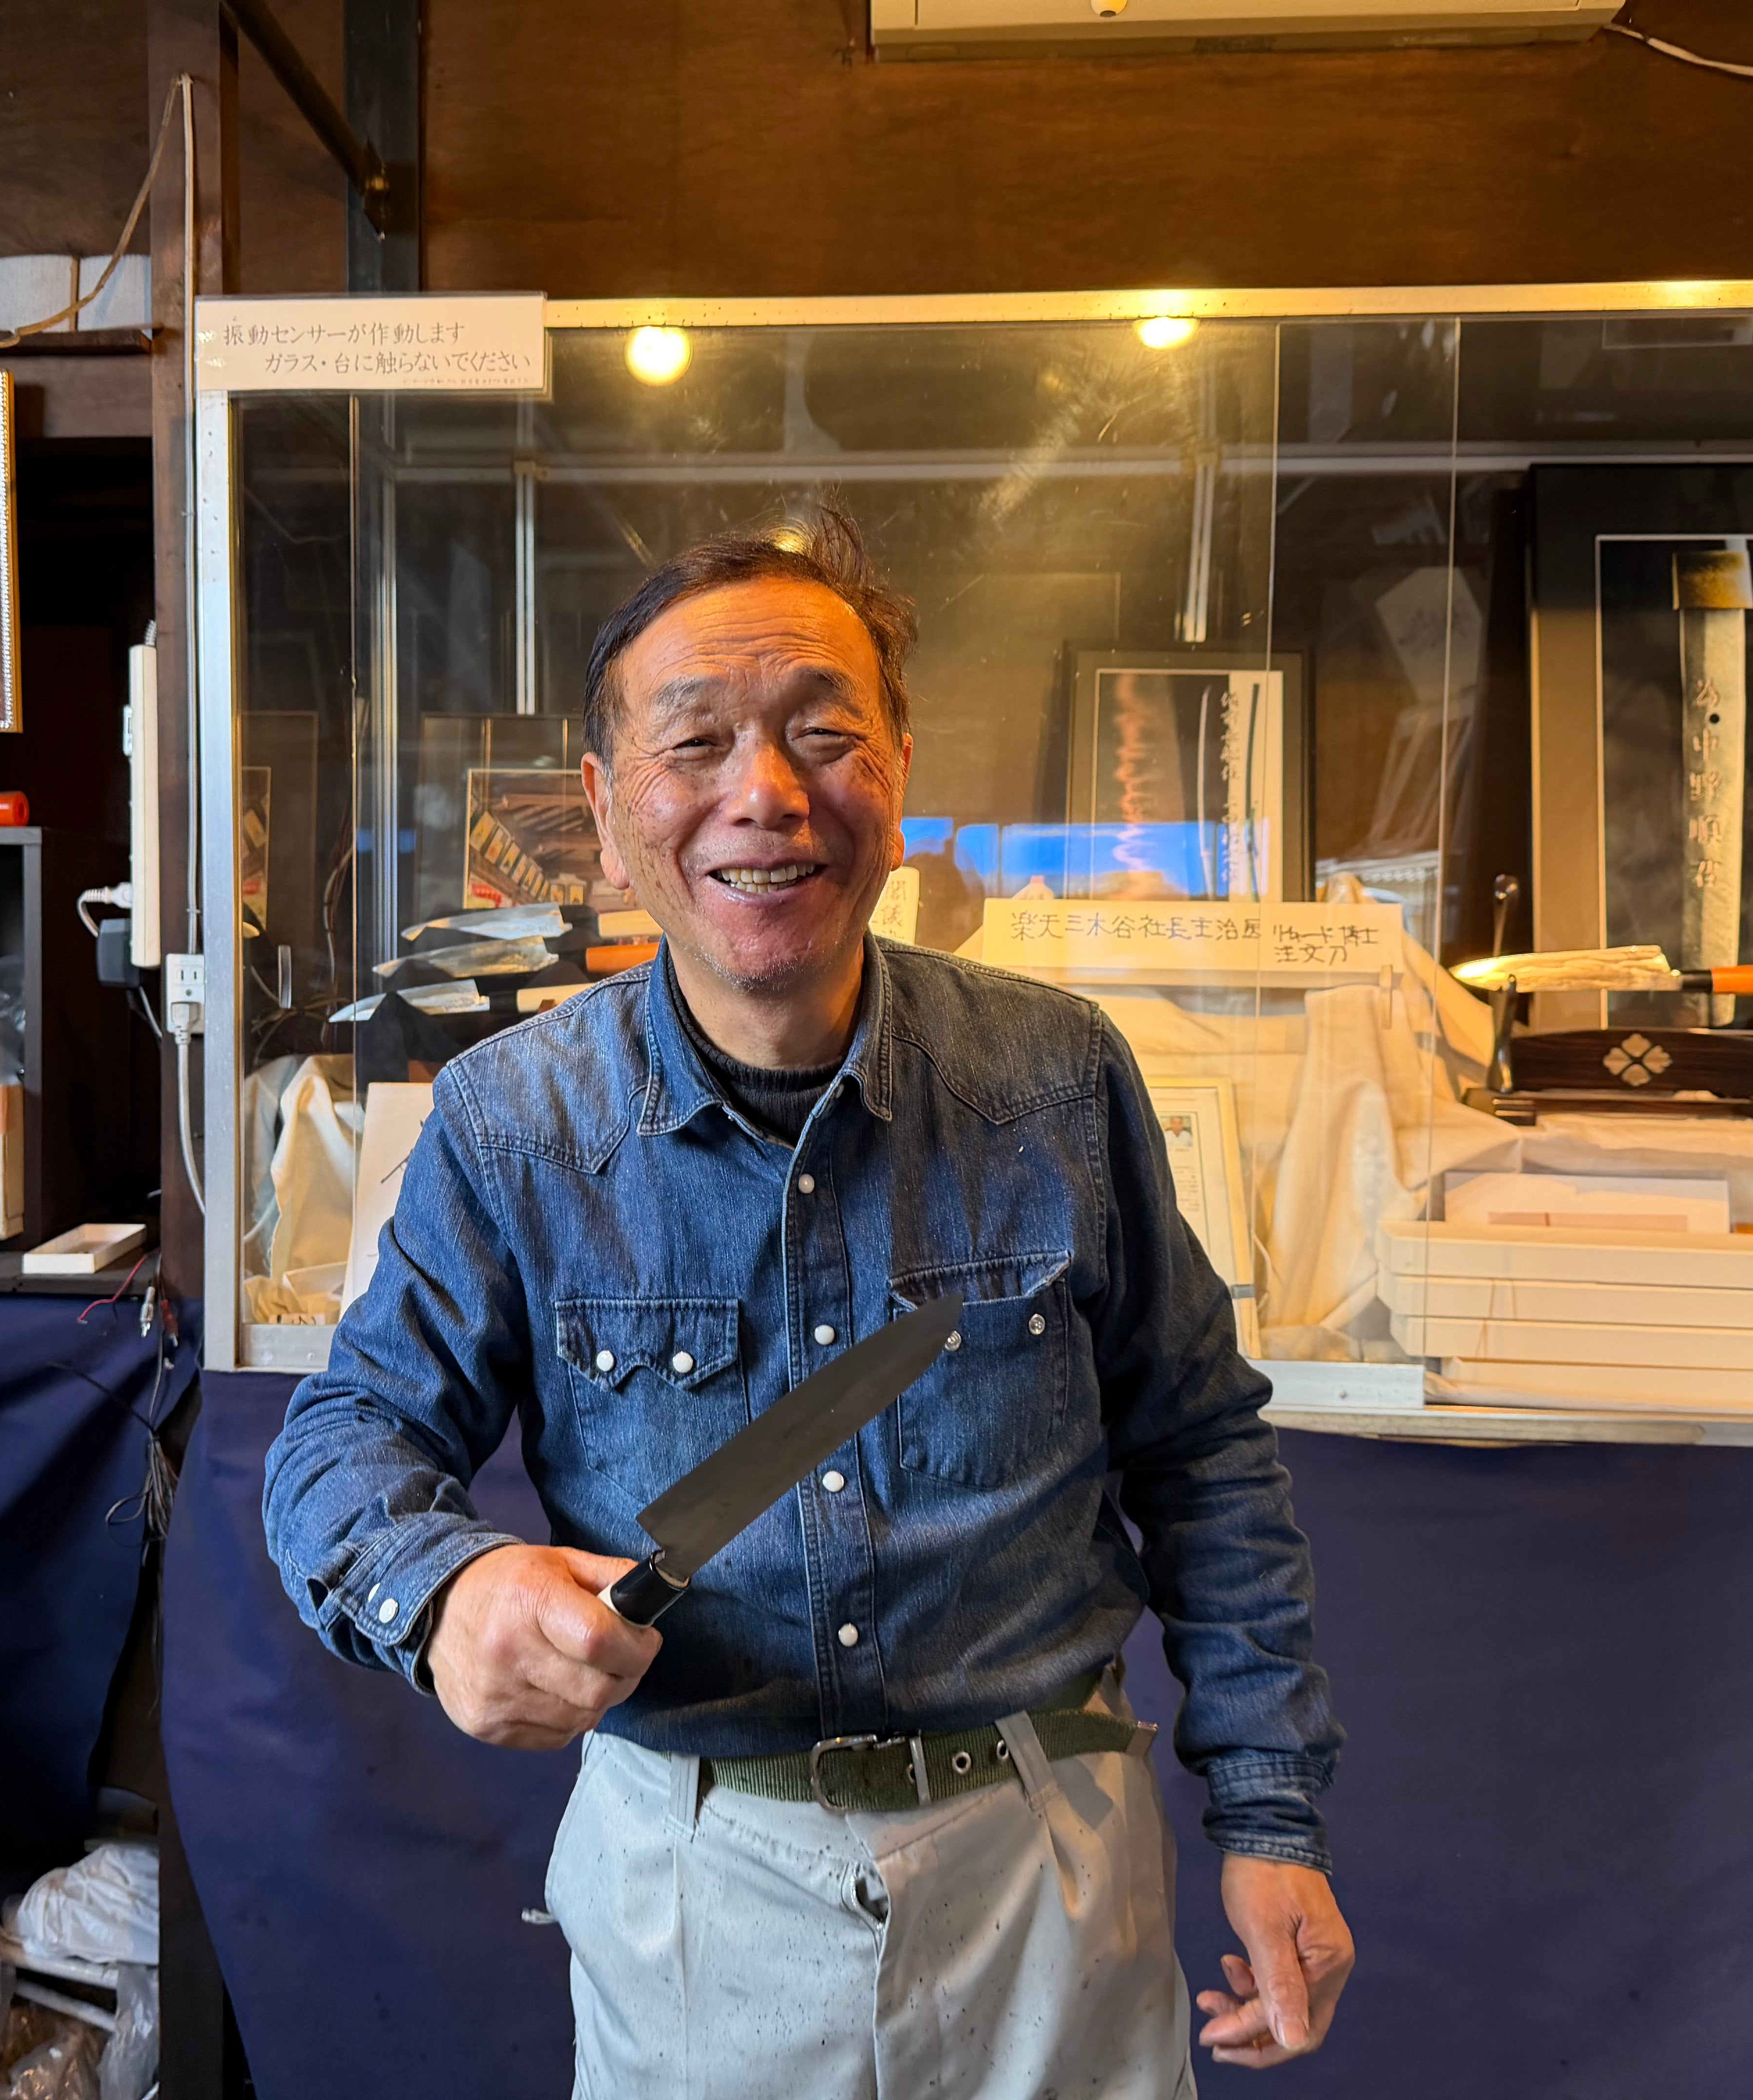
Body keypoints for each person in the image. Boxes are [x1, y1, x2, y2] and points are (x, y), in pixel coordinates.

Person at [263, 507, 1353, 2096]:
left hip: (1044, 1867)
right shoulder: (515, 1123)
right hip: (699, 1889)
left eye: (822, 733)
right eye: (693, 741)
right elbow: (338, 1444)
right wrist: (445, 1595)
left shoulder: (1052, 1080)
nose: (762, 795)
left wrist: (1267, 1816)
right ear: (607, 805)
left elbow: (1201, 1453)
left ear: (899, 770)